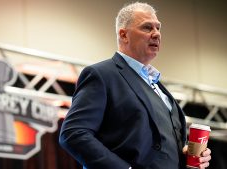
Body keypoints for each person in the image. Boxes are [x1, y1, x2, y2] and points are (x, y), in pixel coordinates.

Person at [59, 2, 211, 169]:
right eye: (147, 28)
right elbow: (74, 133)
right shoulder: (102, 75)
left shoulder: (160, 89)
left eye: (158, 28)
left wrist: (186, 156)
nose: (156, 34)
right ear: (124, 35)